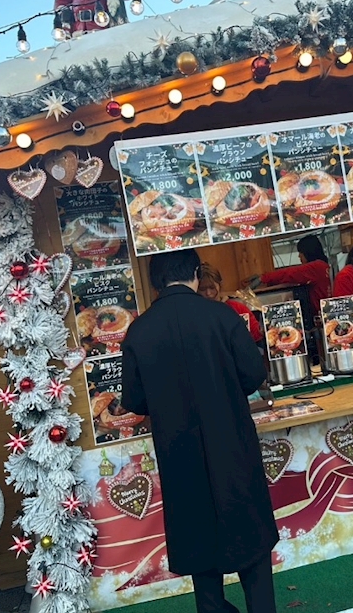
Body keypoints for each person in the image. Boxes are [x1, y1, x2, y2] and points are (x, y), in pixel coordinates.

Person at [121, 249, 279, 613]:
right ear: (195, 273)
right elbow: (254, 374)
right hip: (232, 442)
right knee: (250, 534)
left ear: (155, 282)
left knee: (197, 537)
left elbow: (134, 399)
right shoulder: (221, 315)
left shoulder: (139, 330)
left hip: (178, 449)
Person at [244, 235, 331, 320]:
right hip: (324, 315)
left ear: (308, 252)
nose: (299, 256)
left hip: (319, 316)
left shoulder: (316, 267)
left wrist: (263, 278)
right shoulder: (323, 266)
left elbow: (290, 273)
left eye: (300, 252)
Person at [198, 263, 263, 344]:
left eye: (212, 288)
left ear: (220, 285)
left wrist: (262, 329)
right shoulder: (195, 314)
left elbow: (256, 335)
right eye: (203, 289)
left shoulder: (237, 308)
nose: (208, 293)